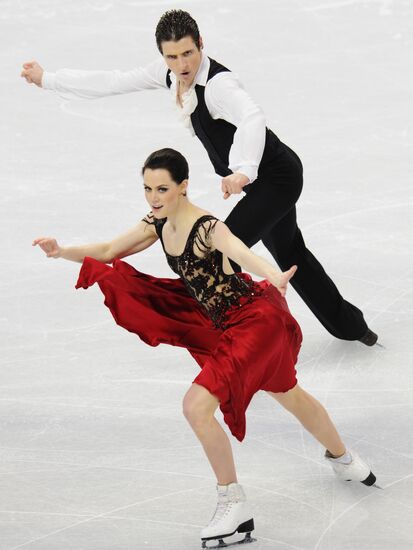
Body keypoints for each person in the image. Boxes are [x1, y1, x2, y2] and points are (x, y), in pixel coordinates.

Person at [33, 148, 377, 548]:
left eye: (162, 188)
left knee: (196, 406)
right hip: (220, 325)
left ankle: (233, 505)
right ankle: (344, 459)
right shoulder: (156, 222)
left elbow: (242, 252)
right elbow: (109, 251)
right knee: (288, 392)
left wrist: (273, 274)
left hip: (254, 322)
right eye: (147, 188)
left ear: (183, 187)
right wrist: (62, 252)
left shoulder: (207, 227)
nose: (154, 197)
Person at [21, 9, 378, 347]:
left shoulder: (220, 86)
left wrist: (242, 170)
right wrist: (48, 79)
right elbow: (114, 81)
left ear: (201, 43)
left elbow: (253, 117)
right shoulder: (170, 74)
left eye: (188, 54)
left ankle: (245, 342)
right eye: (171, 57)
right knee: (289, 251)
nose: (182, 65)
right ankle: (353, 328)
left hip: (276, 177)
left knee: (220, 256)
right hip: (259, 181)